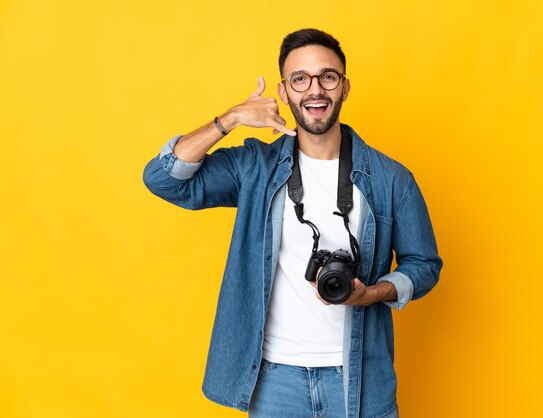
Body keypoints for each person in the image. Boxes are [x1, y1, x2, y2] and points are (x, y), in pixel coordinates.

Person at [143, 28, 443, 418]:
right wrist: (230, 119)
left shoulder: (390, 179)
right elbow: (163, 179)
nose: (315, 90)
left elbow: (424, 264)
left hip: (358, 377)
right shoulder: (256, 167)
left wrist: (371, 293)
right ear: (284, 93)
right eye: (300, 79)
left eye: (328, 77)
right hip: (274, 380)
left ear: (345, 87)